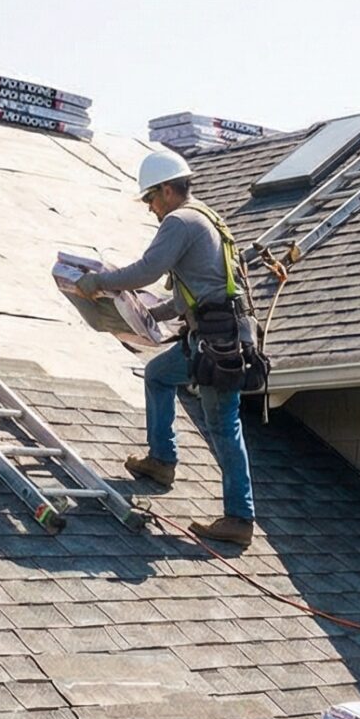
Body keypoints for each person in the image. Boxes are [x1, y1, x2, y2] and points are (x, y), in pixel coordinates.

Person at [77, 151, 256, 545]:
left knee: (223, 425)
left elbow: (147, 270)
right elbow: (194, 292)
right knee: (159, 375)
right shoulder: (207, 218)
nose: (150, 209)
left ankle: (240, 519)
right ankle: (161, 461)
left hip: (217, 340)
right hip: (217, 334)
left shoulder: (180, 220)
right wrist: (150, 315)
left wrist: (101, 282)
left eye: (150, 199)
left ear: (168, 190)